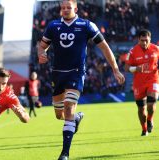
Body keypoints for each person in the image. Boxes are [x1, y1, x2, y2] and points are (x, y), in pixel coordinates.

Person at [37, 1, 125, 160]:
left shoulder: (86, 25)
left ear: (75, 9)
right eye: (62, 8)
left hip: (76, 73)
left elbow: (104, 47)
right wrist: (41, 53)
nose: (64, 10)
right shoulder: (53, 25)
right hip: (57, 74)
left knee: (69, 107)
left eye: (68, 8)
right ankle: (76, 119)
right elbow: (42, 46)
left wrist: (115, 69)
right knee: (59, 115)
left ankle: (65, 153)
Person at [125, 29, 159, 136]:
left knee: (151, 103)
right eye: (142, 40)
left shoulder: (156, 49)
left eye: (146, 40)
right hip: (139, 83)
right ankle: (144, 128)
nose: (144, 43)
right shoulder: (132, 52)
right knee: (141, 109)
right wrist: (136, 69)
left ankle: (150, 120)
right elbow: (126, 68)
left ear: (150, 39)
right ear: (138, 40)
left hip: (153, 79)